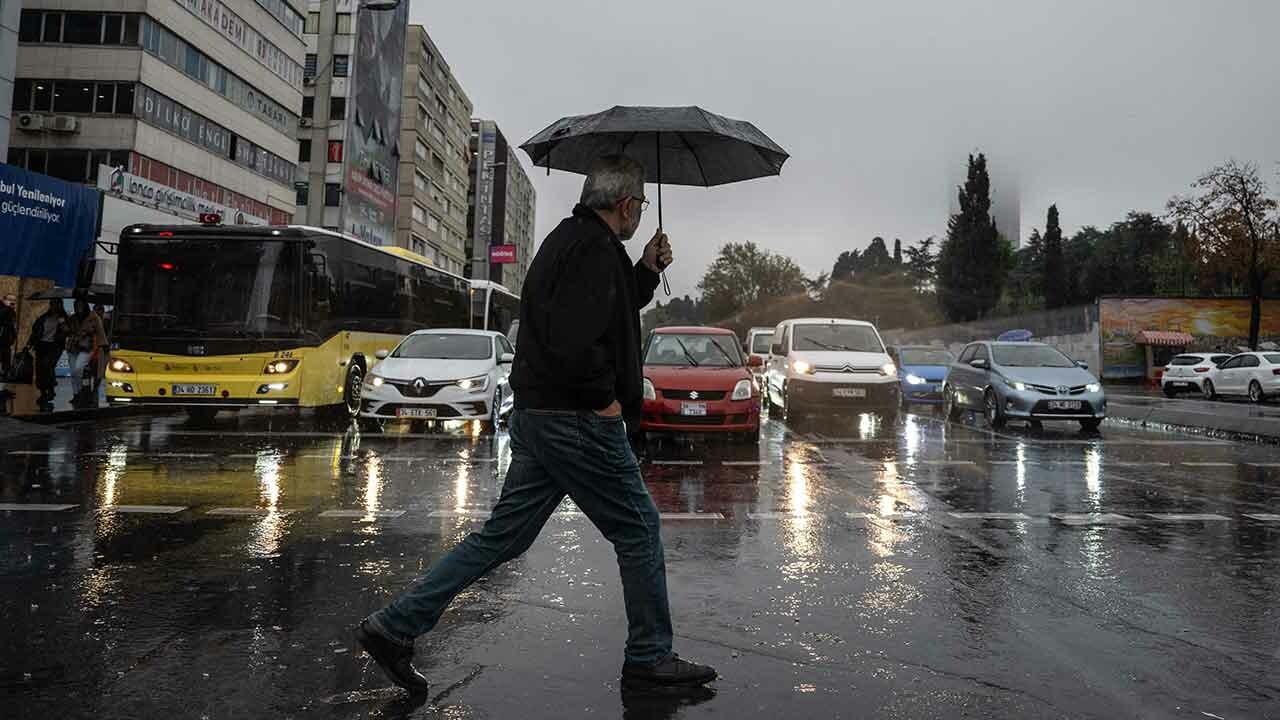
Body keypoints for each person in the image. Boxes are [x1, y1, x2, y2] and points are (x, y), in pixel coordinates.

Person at [357, 155, 716, 693]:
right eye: (639, 204)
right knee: (639, 530)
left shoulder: (575, 241)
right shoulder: (592, 250)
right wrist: (604, 401)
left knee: (502, 538)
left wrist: (646, 270)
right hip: (576, 421)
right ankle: (649, 656)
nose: (641, 212)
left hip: (541, 417)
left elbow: (608, 311)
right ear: (624, 204)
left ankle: (394, 626)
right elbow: (576, 339)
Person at [68, 299, 108, 403]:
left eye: (81, 306)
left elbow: (101, 332)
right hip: (73, 347)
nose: (78, 308)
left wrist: (104, 346)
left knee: (80, 369)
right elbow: (68, 330)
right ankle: (77, 393)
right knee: (74, 372)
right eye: (76, 306)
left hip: (88, 347)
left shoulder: (94, 318)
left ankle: (86, 391)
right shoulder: (72, 318)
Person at [30, 300, 68, 406]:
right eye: (53, 305)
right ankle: (43, 392)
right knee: (40, 369)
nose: (55, 307)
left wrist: (62, 322)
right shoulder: (44, 318)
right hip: (42, 345)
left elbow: (67, 331)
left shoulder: (63, 318)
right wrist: (31, 342)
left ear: (61, 306)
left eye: (57, 305)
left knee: (48, 365)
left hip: (55, 346)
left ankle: (50, 388)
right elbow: (36, 330)